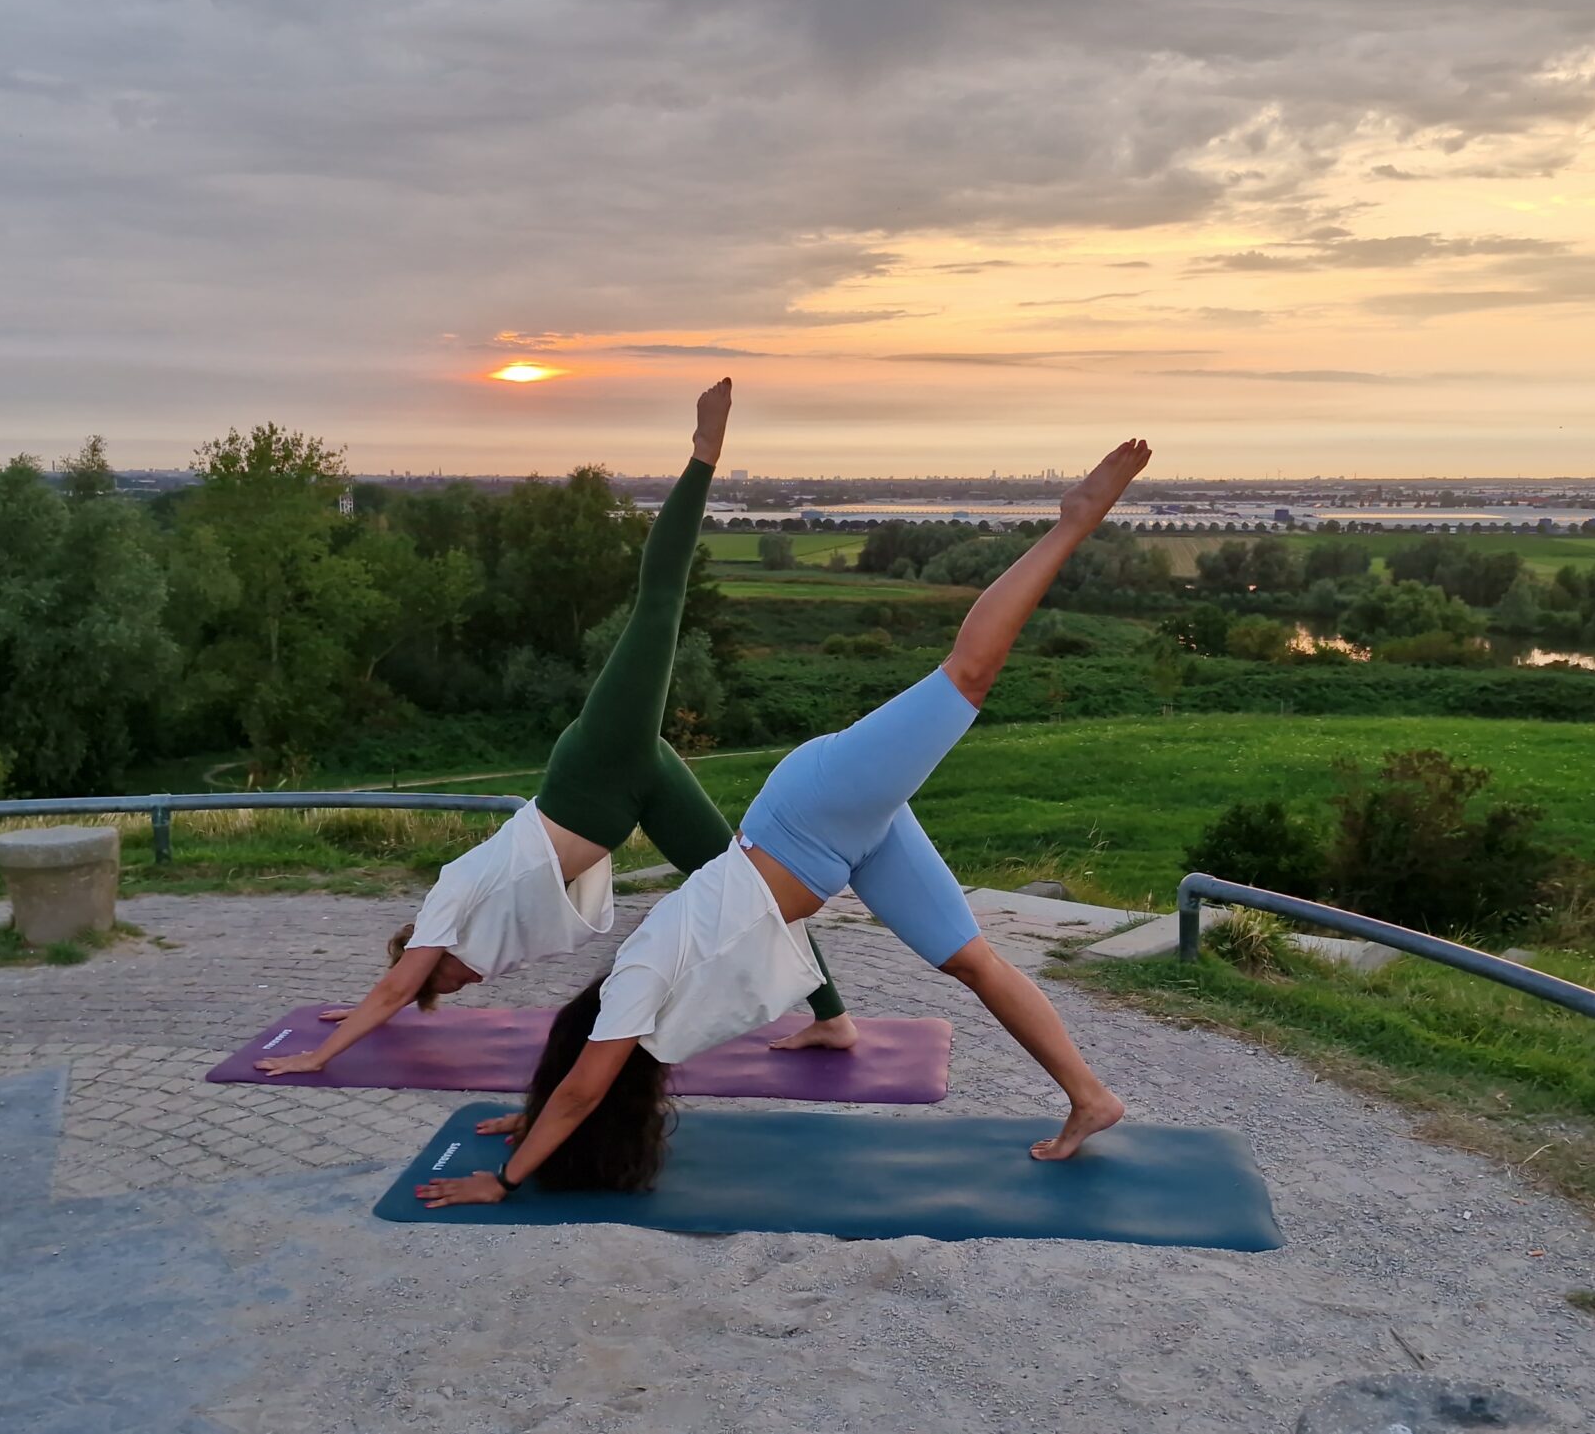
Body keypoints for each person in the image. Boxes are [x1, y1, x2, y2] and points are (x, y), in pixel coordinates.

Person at [417, 437, 1154, 1206]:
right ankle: (1089, 1095)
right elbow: (574, 1093)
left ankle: (1071, 522)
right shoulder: (651, 1016)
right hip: (833, 846)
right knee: (971, 960)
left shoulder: (636, 985)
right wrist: (537, 1112)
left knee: (966, 677)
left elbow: (578, 1094)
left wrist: (503, 1180)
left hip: (813, 812)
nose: (593, 1070)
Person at [254, 379, 858, 1078]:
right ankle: (834, 1019)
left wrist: (323, 1052)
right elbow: (397, 986)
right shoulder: (461, 940)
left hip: (596, 768)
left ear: (430, 948)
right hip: (632, 787)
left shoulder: (448, 901)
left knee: (659, 604)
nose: (459, 987)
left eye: (442, 982)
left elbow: (400, 979)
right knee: (753, 892)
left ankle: (703, 451)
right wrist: (366, 1008)